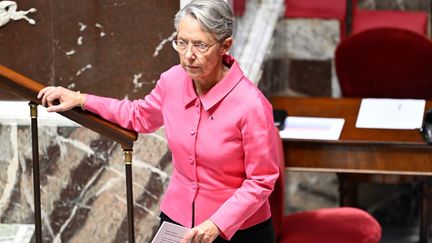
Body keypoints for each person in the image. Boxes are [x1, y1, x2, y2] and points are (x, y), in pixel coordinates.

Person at [37, 0, 279, 242]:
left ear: (225, 45)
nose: (188, 55)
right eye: (181, 43)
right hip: (178, 220)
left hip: (240, 231)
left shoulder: (251, 105)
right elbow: (138, 115)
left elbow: (261, 180)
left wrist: (216, 224)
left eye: (200, 45)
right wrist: (81, 99)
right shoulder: (172, 81)